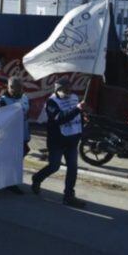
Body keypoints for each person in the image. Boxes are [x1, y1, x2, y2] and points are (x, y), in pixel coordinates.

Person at [31, 78, 88, 208]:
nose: (69, 91)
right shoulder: (52, 102)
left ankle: (69, 196)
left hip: (72, 140)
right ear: (58, 89)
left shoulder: (74, 97)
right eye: (65, 89)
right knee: (54, 166)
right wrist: (77, 110)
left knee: (73, 168)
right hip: (57, 141)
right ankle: (37, 178)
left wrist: (83, 117)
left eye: (70, 88)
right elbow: (60, 119)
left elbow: (77, 114)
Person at [0, 76, 31, 195]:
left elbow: (27, 114)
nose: (18, 90)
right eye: (15, 87)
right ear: (9, 87)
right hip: (8, 137)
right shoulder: (3, 100)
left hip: (22, 135)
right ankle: (1, 182)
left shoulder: (25, 97)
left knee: (17, 159)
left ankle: (10, 182)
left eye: (20, 87)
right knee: (6, 160)